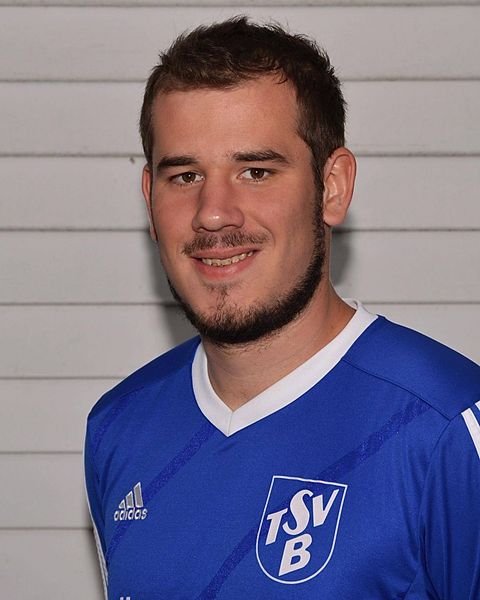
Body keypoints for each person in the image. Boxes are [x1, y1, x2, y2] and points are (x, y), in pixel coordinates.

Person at [84, 17, 480, 599]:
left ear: (332, 187)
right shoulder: (118, 428)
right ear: (149, 199)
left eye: (256, 171)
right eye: (185, 175)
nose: (213, 212)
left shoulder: (445, 425)